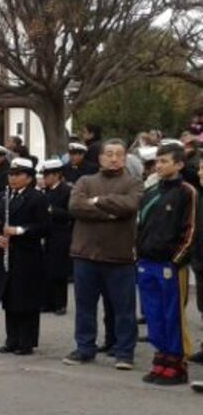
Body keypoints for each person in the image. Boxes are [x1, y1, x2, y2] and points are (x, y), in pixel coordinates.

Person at [63, 139, 143, 370]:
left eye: (119, 154)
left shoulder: (134, 183)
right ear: (100, 158)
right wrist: (110, 212)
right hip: (85, 255)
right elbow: (75, 206)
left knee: (124, 309)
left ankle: (124, 352)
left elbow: (129, 205)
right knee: (85, 307)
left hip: (120, 257)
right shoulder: (85, 180)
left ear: (125, 158)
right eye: (108, 154)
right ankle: (85, 347)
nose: (113, 158)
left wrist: (96, 202)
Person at [135, 142, 198, 386]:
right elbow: (139, 226)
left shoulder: (186, 192)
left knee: (173, 315)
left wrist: (176, 260)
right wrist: (137, 254)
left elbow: (191, 230)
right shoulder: (150, 192)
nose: (159, 166)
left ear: (179, 164)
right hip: (146, 262)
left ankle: (177, 363)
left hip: (169, 266)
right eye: (157, 161)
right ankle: (161, 358)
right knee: (153, 313)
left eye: (164, 161)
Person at [0, 158, 50, 355]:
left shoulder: (37, 198)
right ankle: (12, 338)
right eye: (11, 175)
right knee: (10, 298)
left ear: (29, 178)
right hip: (5, 254)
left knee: (26, 299)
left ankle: (27, 341)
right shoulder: (2, 197)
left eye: (18, 175)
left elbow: (44, 228)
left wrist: (19, 230)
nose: (13, 179)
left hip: (27, 256)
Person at [40, 159, 72, 315]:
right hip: (46, 233)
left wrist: (52, 210)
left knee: (59, 271)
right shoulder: (45, 191)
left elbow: (70, 214)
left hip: (60, 234)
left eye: (48, 175)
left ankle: (60, 303)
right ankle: (47, 302)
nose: (45, 178)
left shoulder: (66, 191)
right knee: (45, 270)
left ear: (57, 175)